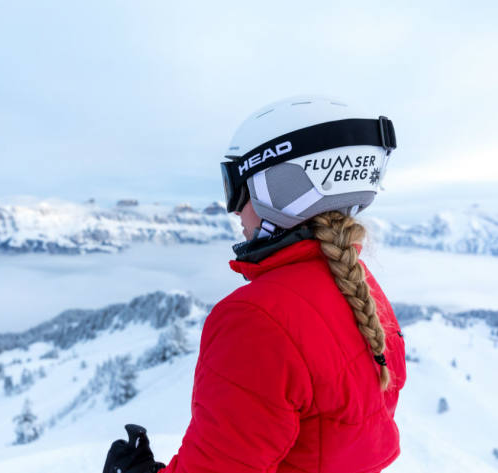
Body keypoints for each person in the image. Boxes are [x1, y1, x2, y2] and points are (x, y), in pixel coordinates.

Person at [103, 95, 407, 473]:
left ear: (280, 188)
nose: (233, 208)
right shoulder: (359, 285)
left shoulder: (256, 318)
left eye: (235, 185)